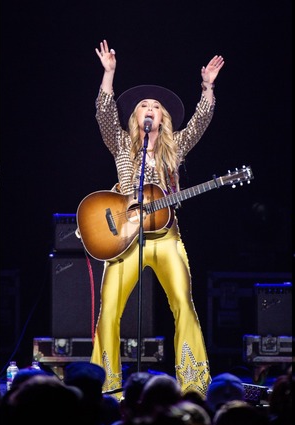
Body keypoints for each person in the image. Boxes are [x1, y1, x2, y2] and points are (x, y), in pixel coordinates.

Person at [89, 39, 224, 397]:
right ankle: (108, 387)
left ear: (162, 118)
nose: (149, 109)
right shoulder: (120, 144)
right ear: (135, 117)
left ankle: (194, 383)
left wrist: (207, 89)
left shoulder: (174, 147)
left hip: (166, 236)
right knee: (109, 311)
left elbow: (199, 123)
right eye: (143, 106)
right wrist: (109, 75)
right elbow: (104, 114)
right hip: (124, 237)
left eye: (156, 106)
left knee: (183, 301)